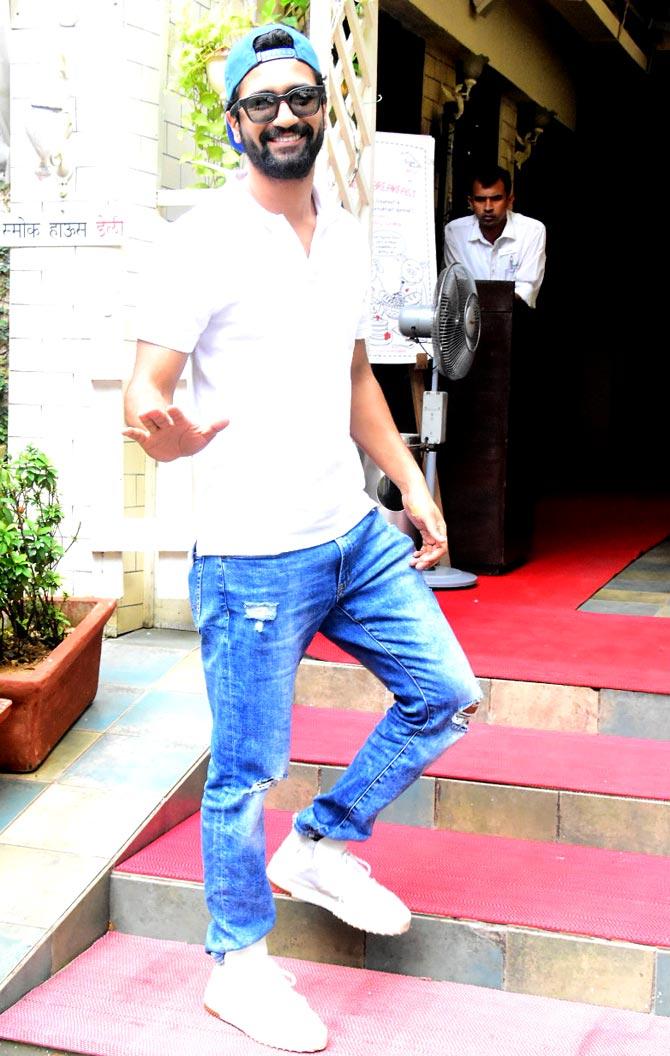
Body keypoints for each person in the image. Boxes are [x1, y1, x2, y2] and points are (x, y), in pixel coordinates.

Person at [123, 23, 481, 1053]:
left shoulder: (344, 224)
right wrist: (167, 428)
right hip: (252, 553)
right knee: (244, 774)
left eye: (300, 97)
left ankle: (322, 844)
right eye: (260, 102)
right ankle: (237, 965)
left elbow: (353, 375)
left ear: (322, 109)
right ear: (234, 123)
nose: (284, 115)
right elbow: (146, 391)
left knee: (446, 693)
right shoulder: (203, 241)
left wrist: (411, 482)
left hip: (348, 530)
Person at [444, 165, 546, 308]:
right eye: (480, 199)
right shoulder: (454, 232)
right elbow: (458, 287)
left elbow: (526, 289)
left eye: (496, 198)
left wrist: (487, 301)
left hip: (517, 318)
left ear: (509, 200)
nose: (488, 207)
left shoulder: (532, 230)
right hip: (468, 319)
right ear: (470, 202)